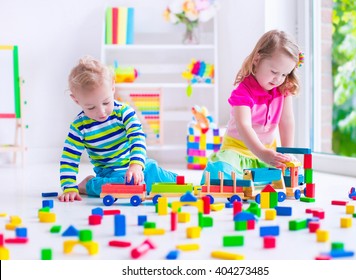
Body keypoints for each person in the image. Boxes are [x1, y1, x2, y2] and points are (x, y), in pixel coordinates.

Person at [59, 56, 177, 202]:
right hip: (110, 172)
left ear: (113, 88)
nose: (101, 112)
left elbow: (137, 138)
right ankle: (87, 184)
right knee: (115, 186)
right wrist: (69, 186)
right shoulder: (79, 126)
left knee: (160, 176)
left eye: (106, 102)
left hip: (138, 165)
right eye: (91, 107)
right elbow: (69, 158)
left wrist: (135, 165)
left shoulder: (124, 113)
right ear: (77, 100)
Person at [201, 29, 303, 183]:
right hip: (237, 152)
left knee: (295, 173)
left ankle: (257, 178)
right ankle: (252, 179)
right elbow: (244, 125)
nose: (278, 79)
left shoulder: (283, 88)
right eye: (274, 71)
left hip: (267, 153)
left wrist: (286, 154)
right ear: (257, 59)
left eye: (284, 74)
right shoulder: (243, 91)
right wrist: (262, 153)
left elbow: (287, 120)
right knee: (217, 172)